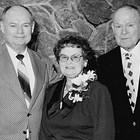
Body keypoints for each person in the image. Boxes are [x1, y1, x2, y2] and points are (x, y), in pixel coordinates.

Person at [0, 5, 61, 140]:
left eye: (25, 25)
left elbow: (61, 92)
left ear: (32, 28)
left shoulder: (44, 63)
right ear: (2, 27)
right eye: (13, 25)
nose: (20, 31)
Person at [39, 35, 115, 140]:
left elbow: (104, 135)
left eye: (75, 57)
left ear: (85, 62)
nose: (69, 62)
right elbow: (44, 133)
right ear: (58, 61)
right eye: (64, 57)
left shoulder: (97, 91)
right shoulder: (52, 91)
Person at [97, 5, 140, 140]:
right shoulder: (103, 63)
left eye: (130, 25)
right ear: (113, 29)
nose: (124, 32)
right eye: (119, 26)